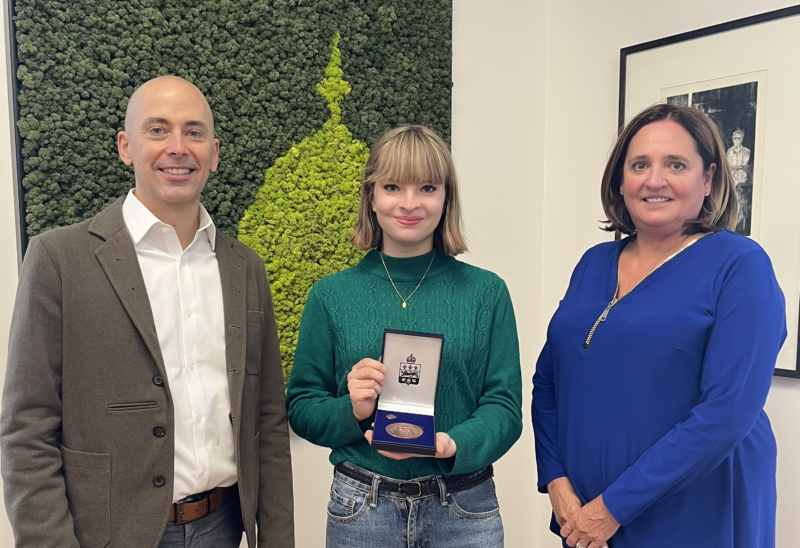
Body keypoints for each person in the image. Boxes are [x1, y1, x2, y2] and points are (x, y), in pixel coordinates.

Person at [1, 76, 294, 548]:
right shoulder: (58, 259)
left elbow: (267, 420)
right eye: (158, 130)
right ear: (125, 146)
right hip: (106, 534)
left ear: (214, 153)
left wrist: (278, 538)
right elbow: (26, 429)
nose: (178, 147)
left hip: (224, 527)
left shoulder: (244, 267)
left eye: (194, 133)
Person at [532, 103, 785, 548]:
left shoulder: (740, 266)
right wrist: (556, 480)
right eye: (640, 165)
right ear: (620, 180)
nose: (654, 179)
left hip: (693, 517)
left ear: (708, 179)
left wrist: (614, 507)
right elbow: (548, 382)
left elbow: (725, 415)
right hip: (585, 516)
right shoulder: (593, 264)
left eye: (676, 165)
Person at [286, 125, 522, 547]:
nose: (409, 203)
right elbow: (303, 407)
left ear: (446, 197)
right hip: (362, 509)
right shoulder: (331, 295)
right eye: (393, 186)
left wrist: (450, 444)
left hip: (464, 509)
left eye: (427, 187)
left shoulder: (487, 292)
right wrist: (354, 411)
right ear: (371, 197)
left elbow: (504, 409)